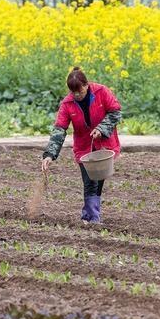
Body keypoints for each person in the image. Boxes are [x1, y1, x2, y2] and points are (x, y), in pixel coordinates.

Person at [41, 66, 122, 223]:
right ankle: (93, 219)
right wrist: (49, 154)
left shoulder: (101, 92)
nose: (77, 95)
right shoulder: (67, 104)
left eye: (80, 91)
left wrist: (101, 128)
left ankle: (88, 215)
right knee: (90, 181)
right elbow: (59, 130)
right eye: (74, 92)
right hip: (84, 148)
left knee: (99, 180)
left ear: (86, 85)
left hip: (104, 145)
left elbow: (115, 112)